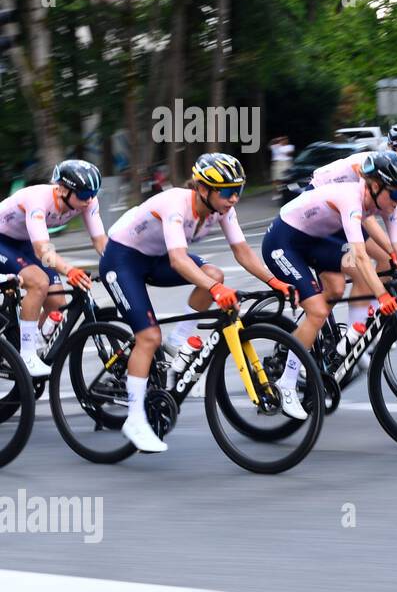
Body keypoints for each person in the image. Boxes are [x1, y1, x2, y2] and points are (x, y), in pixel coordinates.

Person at [101, 153, 298, 453]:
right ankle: (135, 418)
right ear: (203, 189)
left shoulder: (221, 209)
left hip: (156, 259)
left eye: (239, 191)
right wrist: (216, 290)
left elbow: (242, 251)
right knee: (148, 337)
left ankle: (178, 342)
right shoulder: (176, 205)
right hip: (123, 258)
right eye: (228, 192)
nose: (234, 199)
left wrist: (273, 281)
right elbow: (179, 260)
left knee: (213, 273)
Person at [262, 151, 397, 410]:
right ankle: (286, 382)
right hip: (284, 242)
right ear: (374, 186)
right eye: (395, 194)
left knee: (341, 286)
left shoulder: (384, 203)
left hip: (314, 241)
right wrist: (382, 297)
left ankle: (350, 339)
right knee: (317, 311)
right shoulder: (351, 197)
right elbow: (359, 255)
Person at [309, 122, 397, 329]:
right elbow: (363, 218)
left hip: (345, 212)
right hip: (322, 207)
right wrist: (391, 251)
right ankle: (354, 336)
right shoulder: (370, 168)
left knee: (388, 259)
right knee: (363, 268)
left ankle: (371, 315)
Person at [0, 160, 108, 376]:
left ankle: (24, 340)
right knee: (39, 282)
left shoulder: (87, 201)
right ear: (62, 190)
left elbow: (100, 241)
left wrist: (118, 267)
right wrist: (70, 270)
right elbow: (42, 251)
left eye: (92, 194)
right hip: (3, 240)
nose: (89, 201)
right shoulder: (37, 199)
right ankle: (26, 355)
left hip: (25, 242)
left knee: (57, 304)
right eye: (84, 195)